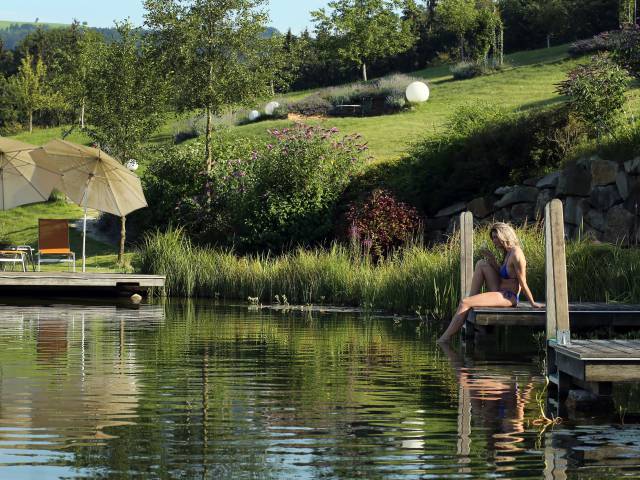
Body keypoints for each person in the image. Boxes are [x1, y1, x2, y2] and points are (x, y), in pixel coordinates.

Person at [437, 222, 542, 343]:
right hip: (500, 289)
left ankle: (444, 340)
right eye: (493, 238)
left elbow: (523, 282)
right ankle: (470, 303)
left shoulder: (516, 254)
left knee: (464, 302)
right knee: (482, 263)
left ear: (504, 235)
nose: (494, 241)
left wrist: (533, 303)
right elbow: (502, 274)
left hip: (508, 296)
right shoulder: (508, 252)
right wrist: (492, 259)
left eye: (496, 237)